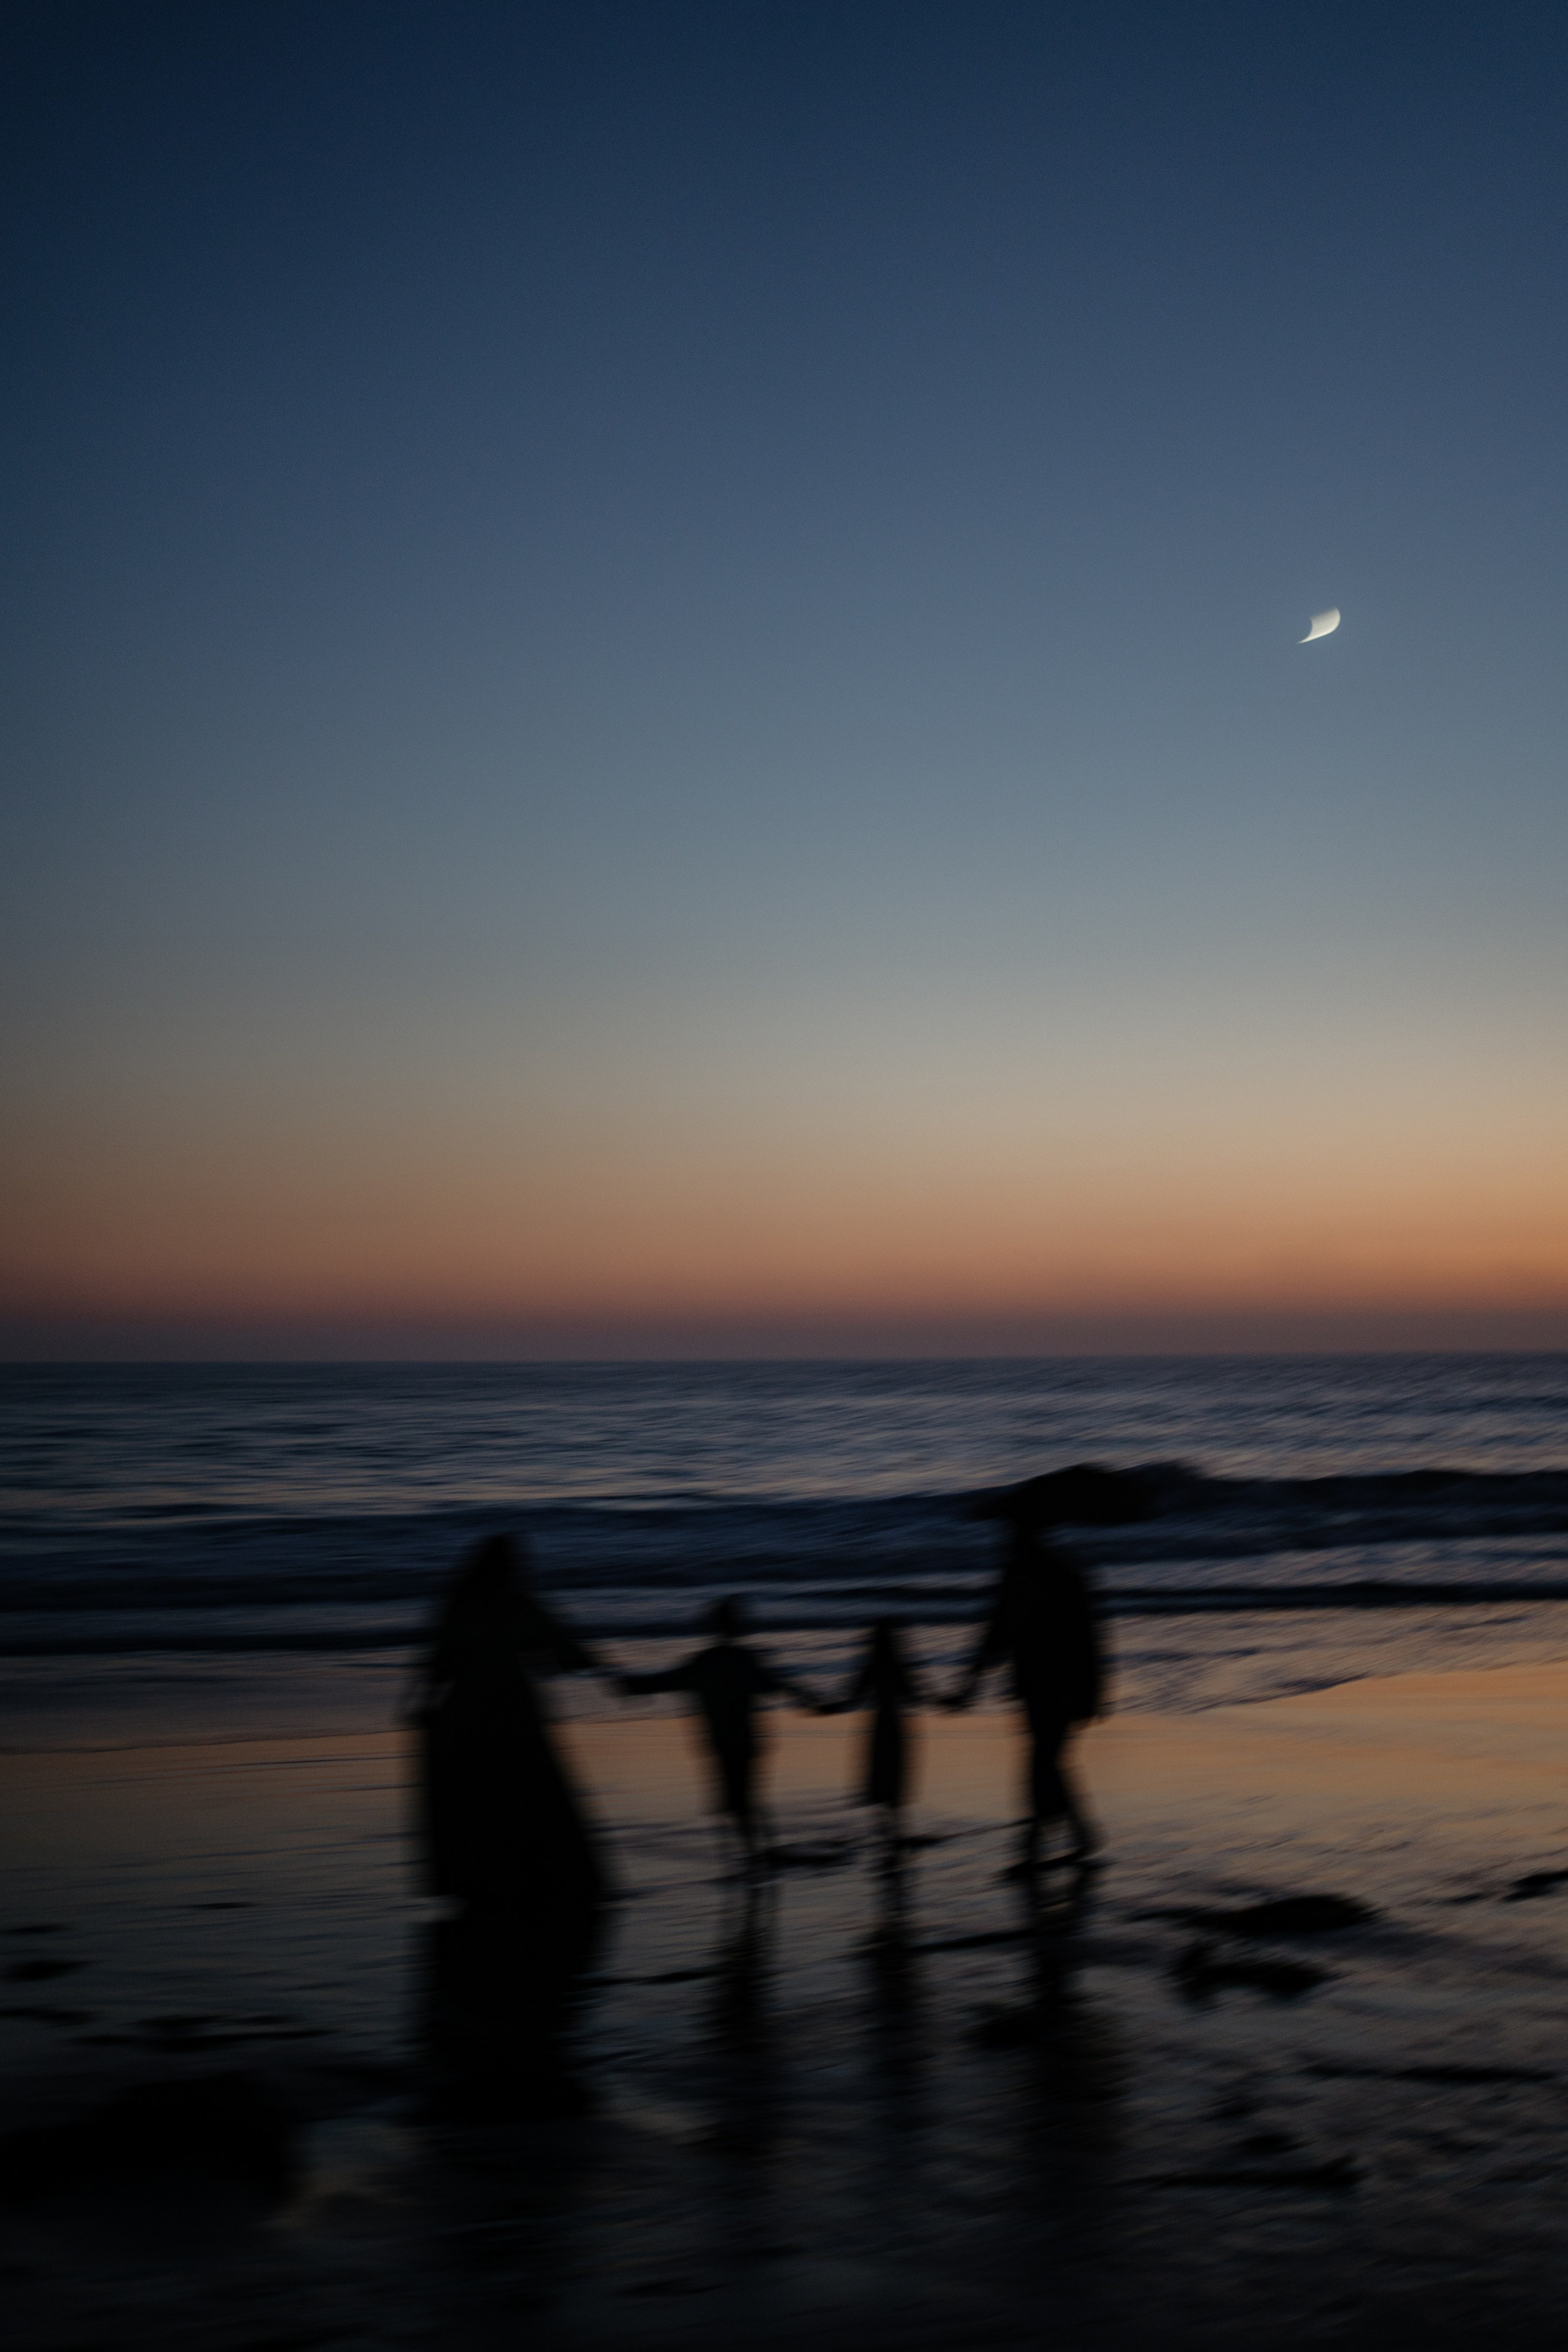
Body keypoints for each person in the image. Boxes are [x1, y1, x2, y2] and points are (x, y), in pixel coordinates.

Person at [410, 1531, 608, 2109]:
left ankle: (486, 1884)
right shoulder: (515, 1604)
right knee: (530, 1802)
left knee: (482, 1808)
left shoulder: (460, 1602)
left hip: (469, 1720)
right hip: (513, 1717)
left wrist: (422, 1704)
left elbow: (438, 1662)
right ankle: (532, 1882)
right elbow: (560, 1652)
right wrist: (610, 1673)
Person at [947, 1472, 1111, 1876]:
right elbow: (1089, 1638)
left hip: (1049, 1684)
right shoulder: (1064, 1574)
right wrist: (1097, 1691)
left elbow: (995, 1637)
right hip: (1057, 1683)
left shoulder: (1028, 1575)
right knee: (1048, 1761)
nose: (1004, 1540)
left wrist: (969, 1686)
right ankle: (1073, 1836)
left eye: (1010, 1533)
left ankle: (1042, 1845)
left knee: (1043, 1762)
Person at [619, 1596, 820, 1868]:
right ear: (738, 1626)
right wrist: (811, 1701)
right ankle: (757, 1851)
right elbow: (778, 1685)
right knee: (747, 1799)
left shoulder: (704, 1663)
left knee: (731, 1801)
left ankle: (742, 1856)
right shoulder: (744, 1660)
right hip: (744, 1741)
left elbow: (664, 1681)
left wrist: (632, 1686)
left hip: (721, 1741)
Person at [833, 1618, 923, 1864]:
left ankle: (889, 1836)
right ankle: (896, 1834)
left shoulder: (872, 1668)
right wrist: (948, 1701)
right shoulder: (899, 1667)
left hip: (879, 1727)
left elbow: (851, 1698)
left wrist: (825, 1707)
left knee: (880, 1783)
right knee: (894, 1781)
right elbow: (915, 1696)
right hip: (897, 1727)